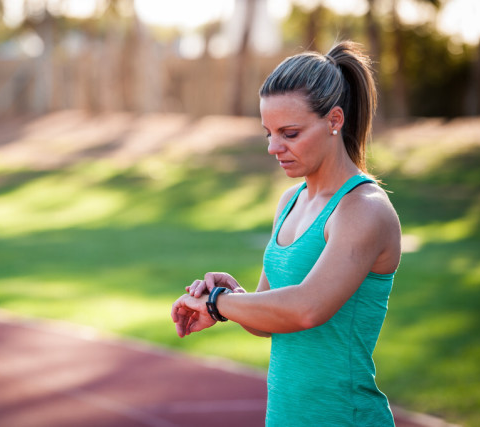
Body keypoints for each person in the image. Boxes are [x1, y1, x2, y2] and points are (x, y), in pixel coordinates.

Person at [171, 40, 401, 426]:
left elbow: (307, 308)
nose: (273, 147)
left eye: (290, 133)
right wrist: (234, 299)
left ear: (335, 120)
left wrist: (218, 303)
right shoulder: (290, 201)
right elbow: (269, 321)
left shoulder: (364, 209)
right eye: (268, 133)